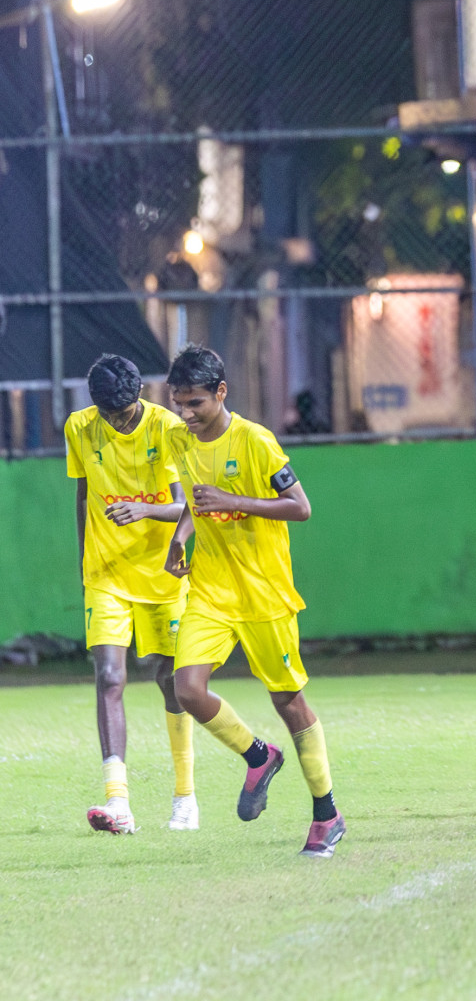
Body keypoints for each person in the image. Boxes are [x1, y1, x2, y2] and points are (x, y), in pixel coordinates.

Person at [161, 346, 344, 857]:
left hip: (264, 594)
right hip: (211, 590)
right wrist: (182, 534)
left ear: (221, 393)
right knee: (188, 691)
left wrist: (234, 501)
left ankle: (326, 813)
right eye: (179, 403)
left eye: (195, 402)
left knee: (288, 701)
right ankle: (258, 756)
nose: (186, 414)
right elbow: (198, 500)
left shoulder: (256, 440)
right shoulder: (180, 439)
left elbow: (300, 508)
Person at [66, 355, 197, 834]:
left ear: (140, 396)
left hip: (162, 574)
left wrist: (143, 510)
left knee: (171, 680)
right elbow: (81, 496)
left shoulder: (167, 429)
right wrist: (85, 560)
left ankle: (185, 795)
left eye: (122, 414)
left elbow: (188, 506)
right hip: (106, 573)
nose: (115, 421)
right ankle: (117, 801)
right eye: (106, 413)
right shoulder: (79, 427)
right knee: (108, 677)